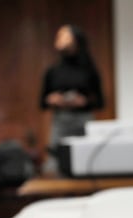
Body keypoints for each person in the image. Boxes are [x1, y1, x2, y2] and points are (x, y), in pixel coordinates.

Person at [39, 24, 104, 171]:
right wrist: (53, 99)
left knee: (86, 160)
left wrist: (84, 101)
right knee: (55, 162)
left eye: (65, 35)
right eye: (59, 36)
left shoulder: (89, 70)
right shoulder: (52, 71)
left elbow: (100, 102)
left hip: (83, 120)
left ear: (76, 40)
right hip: (60, 121)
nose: (60, 39)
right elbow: (42, 102)